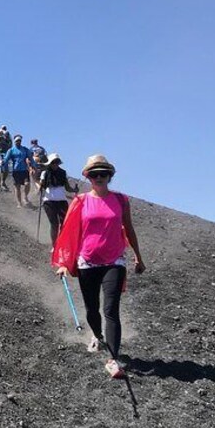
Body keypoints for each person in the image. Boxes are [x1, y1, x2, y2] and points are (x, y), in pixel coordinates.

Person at [52, 155, 146, 380]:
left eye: (103, 173)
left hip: (114, 261)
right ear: (88, 177)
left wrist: (138, 258)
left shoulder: (121, 200)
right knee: (92, 309)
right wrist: (65, 263)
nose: (99, 177)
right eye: (94, 174)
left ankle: (113, 360)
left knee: (111, 310)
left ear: (110, 176)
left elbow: (129, 228)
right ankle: (97, 336)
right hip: (87, 262)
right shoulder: (81, 201)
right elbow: (68, 232)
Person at [38, 153, 79, 247]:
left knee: (64, 223)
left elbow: (67, 188)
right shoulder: (45, 173)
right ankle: (54, 246)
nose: (55, 164)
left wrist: (74, 190)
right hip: (49, 201)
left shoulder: (63, 173)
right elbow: (42, 185)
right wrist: (40, 187)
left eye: (57, 162)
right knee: (54, 224)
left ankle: (61, 242)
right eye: (53, 162)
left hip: (61, 201)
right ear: (50, 163)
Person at [2, 135, 37, 208]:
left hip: (24, 170)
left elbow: (31, 158)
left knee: (27, 184)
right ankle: (19, 203)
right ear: (14, 141)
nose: (18, 142)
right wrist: (2, 162)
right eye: (17, 141)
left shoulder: (25, 149)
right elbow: (6, 159)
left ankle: (25, 197)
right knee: (17, 187)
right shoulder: (11, 150)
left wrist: (34, 166)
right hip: (16, 171)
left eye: (19, 140)